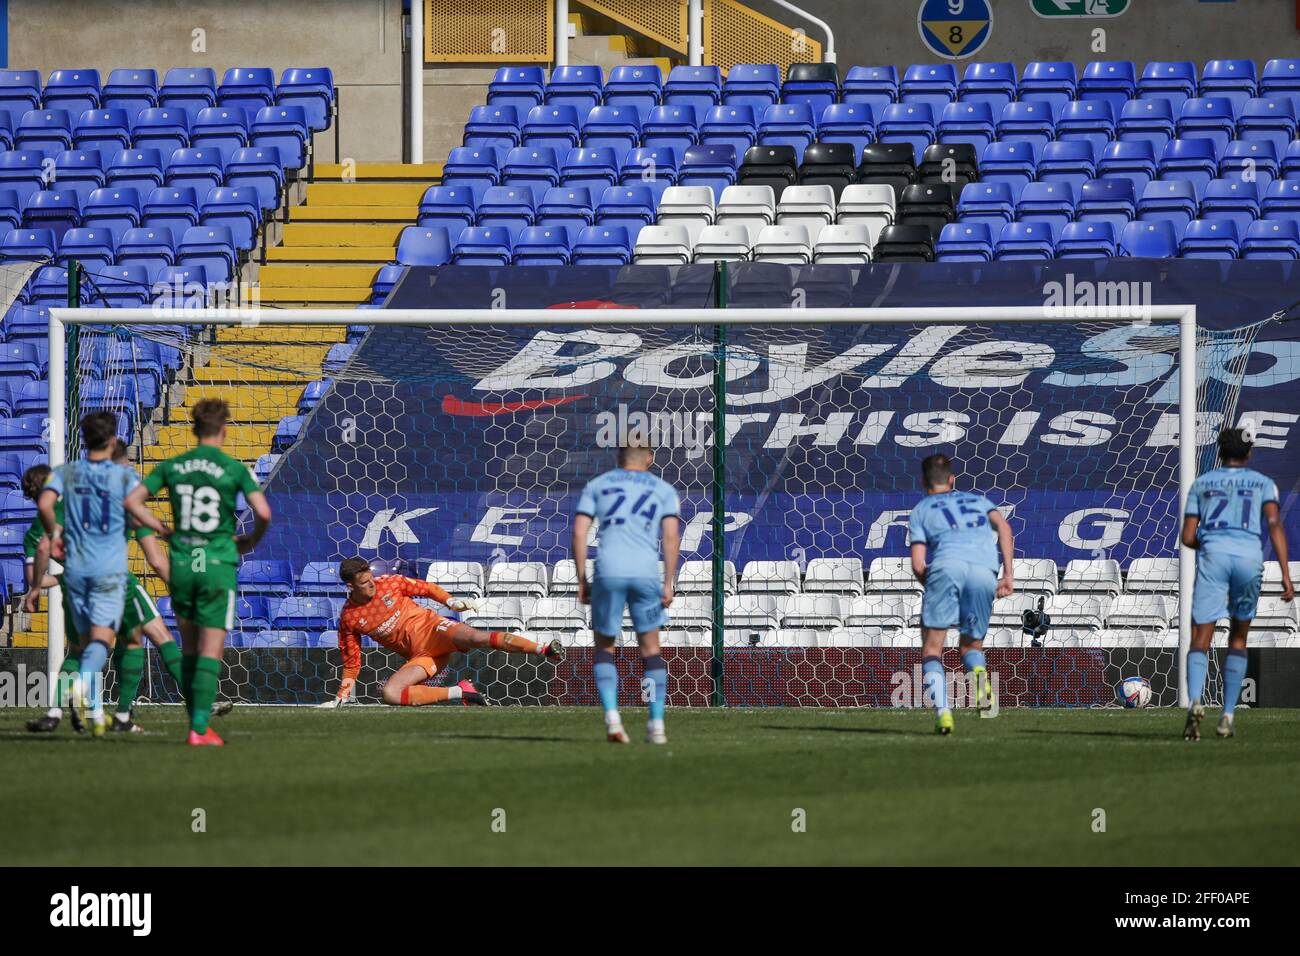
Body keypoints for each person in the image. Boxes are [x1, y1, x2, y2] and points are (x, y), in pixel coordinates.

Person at [125, 398, 271, 746]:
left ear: (193, 428)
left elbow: (131, 501)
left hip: (184, 564)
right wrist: (249, 540)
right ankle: (199, 729)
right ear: (224, 428)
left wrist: (162, 529)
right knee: (210, 651)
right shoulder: (234, 468)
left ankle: (197, 724)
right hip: (217, 565)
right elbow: (263, 512)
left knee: (189, 648)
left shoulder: (174, 465)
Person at [30, 412, 171, 735]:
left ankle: (56, 707)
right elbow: (138, 511)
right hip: (109, 571)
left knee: (79, 646)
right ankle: (81, 688)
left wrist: (55, 533)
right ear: (111, 442)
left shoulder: (66, 472)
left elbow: (45, 505)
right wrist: (164, 530)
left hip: (75, 572)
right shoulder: (125, 478)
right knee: (104, 641)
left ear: (83, 439)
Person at [1180, 426, 1293, 740]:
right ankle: (1228, 715)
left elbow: (1188, 536)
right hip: (1248, 560)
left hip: (1214, 558)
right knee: (1238, 639)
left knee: (1200, 637)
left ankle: (1195, 703)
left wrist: (1214, 544)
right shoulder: (1263, 484)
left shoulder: (1201, 484)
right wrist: (1285, 574)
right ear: (1249, 453)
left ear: (1219, 452)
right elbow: (1274, 525)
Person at [331, 559, 563, 707]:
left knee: (476, 637)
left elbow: (426, 588)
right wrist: (342, 694)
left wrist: (451, 602)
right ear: (350, 586)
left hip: (435, 629)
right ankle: (460, 691)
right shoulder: (350, 618)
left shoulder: (390, 583)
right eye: (364, 583)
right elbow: (352, 662)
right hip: (422, 655)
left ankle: (544, 649)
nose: (372, 584)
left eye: (371, 578)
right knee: (391, 693)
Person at [572, 443, 681, 745]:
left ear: (618, 459)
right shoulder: (663, 489)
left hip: (608, 571)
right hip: (646, 572)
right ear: (650, 458)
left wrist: (582, 579)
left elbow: (579, 532)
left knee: (605, 647)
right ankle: (656, 725)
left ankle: (612, 720)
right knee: (651, 650)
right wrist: (668, 582)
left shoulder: (598, 485)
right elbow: (671, 535)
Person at [908, 453, 1014, 735]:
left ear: (923, 481)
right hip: (984, 570)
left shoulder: (921, 510)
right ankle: (981, 685)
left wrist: (933, 585)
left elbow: (918, 564)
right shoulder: (977, 500)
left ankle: (944, 715)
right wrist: (1008, 574)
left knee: (933, 649)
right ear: (952, 479)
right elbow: (1003, 526)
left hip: (946, 567)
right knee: (970, 646)